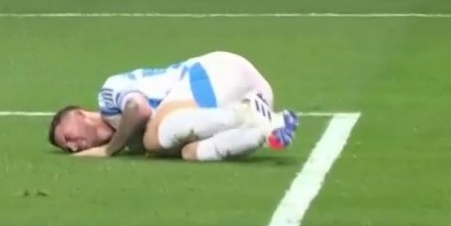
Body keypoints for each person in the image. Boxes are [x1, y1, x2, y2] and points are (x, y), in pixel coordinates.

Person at [47, 51, 299, 162]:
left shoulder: (109, 98)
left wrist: (108, 151)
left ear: (80, 114)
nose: (72, 146)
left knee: (154, 138)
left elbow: (139, 108)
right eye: (67, 147)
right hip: (250, 95)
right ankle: (263, 129)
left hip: (217, 72)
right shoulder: (132, 145)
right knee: (191, 153)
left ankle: (245, 113)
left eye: (68, 136)